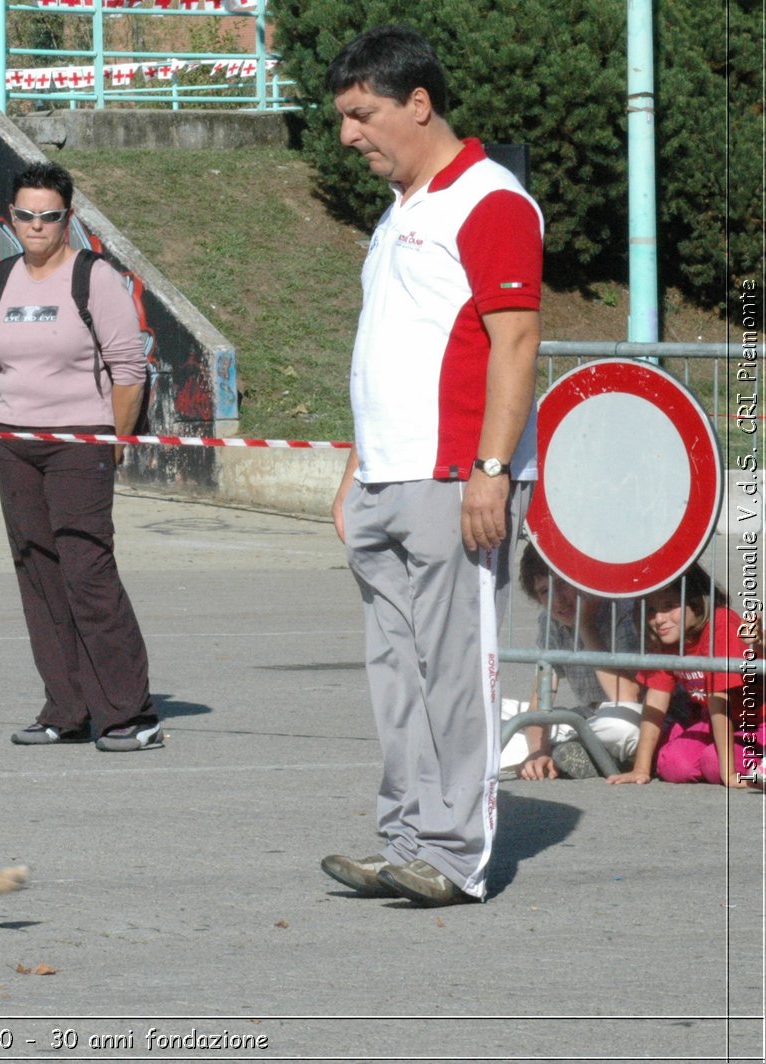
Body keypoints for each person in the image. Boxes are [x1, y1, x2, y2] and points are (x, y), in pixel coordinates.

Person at [317, 26, 544, 906]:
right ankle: (406, 837)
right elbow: (391, 353)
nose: (349, 136)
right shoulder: (400, 211)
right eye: (342, 117)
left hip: (455, 478)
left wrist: (492, 468)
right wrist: (355, 466)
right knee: (397, 678)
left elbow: (516, 339)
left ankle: (455, 857)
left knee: (455, 674)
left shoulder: (491, 201)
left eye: (361, 115)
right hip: (384, 476)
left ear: (419, 103)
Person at [0, 162, 159, 752]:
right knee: (39, 575)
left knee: (87, 573)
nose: (37, 225)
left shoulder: (94, 277)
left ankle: (129, 713)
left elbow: (129, 373)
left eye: (49, 216)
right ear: (11, 218)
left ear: (67, 219)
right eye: (25, 214)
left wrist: (113, 446)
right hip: (13, 446)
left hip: (80, 445)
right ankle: (66, 708)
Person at [608, 566, 763, 789]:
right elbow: (655, 699)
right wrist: (640, 768)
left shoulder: (721, 624)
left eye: (669, 606)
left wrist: (728, 773)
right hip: (712, 718)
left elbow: (719, 697)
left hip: (755, 720)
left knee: (714, 764)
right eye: (650, 610)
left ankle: (753, 765)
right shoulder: (670, 638)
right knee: (673, 766)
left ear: (697, 603)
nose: (658, 619)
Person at [509, 544, 644, 779]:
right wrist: (537, 752)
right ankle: (578, 749)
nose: (558, 601)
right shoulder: (550, 620)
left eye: (563, 584)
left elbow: (627, 696)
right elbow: (540, 698)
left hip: (637, 714)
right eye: (545, 592)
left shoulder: (621, 608)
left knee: (622, 728)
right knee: (494, 728)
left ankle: (580, 748)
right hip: (589, 716)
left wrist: (585, 626)